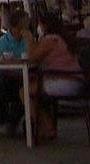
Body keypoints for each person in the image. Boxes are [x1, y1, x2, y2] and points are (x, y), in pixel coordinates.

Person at [29, 12, 85, 142]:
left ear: (45, 26)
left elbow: (32, 56)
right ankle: (46, 124)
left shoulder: (51, 40)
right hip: (76, 80)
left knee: (25, 91)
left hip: (65, 81)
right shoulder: (63, 38)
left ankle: (44, 127)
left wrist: (28, 37)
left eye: (40, 25)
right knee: (35, 88)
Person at [0, 9, 32, 134]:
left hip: (22, 75)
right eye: (26, 22)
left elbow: (34, 55)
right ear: (19, 25)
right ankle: (2, 121)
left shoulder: (28, 39)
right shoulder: (3, 42)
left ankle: (12, 122)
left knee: (29, 87)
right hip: (6, 76)